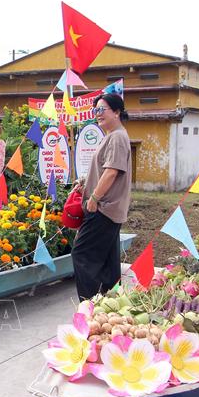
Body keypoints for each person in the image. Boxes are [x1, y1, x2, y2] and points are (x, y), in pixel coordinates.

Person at [70, 93, 131, 300]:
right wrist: (85, 185)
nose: (97, 114)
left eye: (102, 109)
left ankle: (90, 306)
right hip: (109, 208)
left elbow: (112, 171)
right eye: (95, 110)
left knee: (82, 254)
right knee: (107, 261)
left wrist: (94, 198)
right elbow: (105, 170)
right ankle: (112, 303)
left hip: (104, 207)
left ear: (116, 111)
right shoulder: (114, 136)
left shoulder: (117, 137)